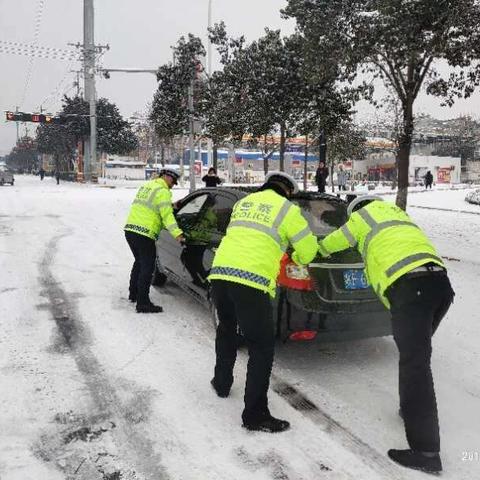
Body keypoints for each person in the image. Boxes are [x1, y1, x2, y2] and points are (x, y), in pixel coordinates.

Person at [317, 195, 454, 474]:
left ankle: (426, 451)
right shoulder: (399, 216)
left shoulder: (361, 219)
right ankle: (410, 409)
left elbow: (330, 244)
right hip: (440, 286)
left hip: (410, 289)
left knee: (415, 366)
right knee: (416, 357)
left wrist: (308, 248)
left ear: (357, 210)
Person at [208, 171, 318, 433]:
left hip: (220, 274)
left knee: (226, 329)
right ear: (288, 191)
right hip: (251, 281)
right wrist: (294, 251)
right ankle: (255, 415)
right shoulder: (288, 210)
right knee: (261, 347)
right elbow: (309, 251)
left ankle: (221, 383)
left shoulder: (243, 203)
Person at [124, 168, 184, 313]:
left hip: (131, 230)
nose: (173, 184)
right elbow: (167, 217)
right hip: (144, 233)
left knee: (139, 262)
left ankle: (133, 293)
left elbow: (152, 207)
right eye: (173, 181)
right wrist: (178, 234)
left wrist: (171, 206)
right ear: (166, 176)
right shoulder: (163, 192)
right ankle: (143, 302)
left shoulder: (148, 186)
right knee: (147, 267)